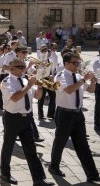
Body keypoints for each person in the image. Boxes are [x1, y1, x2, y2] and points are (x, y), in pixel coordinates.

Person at [0, 59, 53, 186]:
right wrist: (29, 85)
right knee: (8, 147)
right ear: (12, 68)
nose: (23, 69)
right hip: (12, 118)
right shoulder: (7, 81)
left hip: (27, 118)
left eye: (24, 67)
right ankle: (5, 174)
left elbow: (38, 96)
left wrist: (39, 86)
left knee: (31, 150)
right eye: (20, 67)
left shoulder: (25, 80)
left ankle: (39, 179)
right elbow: (15, 97)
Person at [49, 53, 100, 183]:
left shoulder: (77, 76)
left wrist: (93, 82)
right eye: (75, 63)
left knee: (83, 144)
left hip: (78, 114)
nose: (78, 65)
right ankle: (54, 166)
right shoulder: (59, 76)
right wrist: (83, 79)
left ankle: (92, 174)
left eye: (78, 63)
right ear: (66, 64)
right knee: (60, 141)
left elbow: (90, 90)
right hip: (64, 113)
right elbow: (69, 90)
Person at [94, 50, 100, 134]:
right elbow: (96, 75)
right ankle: (97, 124)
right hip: (99, 85)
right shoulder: (96, 63)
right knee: (98, 105)